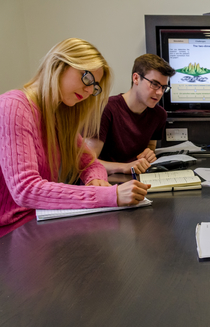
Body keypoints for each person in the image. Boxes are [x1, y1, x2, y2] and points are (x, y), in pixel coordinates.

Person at [0, 38, 150, 237]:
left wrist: (95, 180)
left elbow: (91, 164)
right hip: (11, 232)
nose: (89, 90)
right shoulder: (14, 106)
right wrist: (106, 195)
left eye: (95, 87)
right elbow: (25, 190)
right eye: (87, 78)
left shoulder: (57, 116)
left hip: (39, 221)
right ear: (59, 65)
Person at [86, 54, 176, 175]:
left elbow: (150, 147)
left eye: (164, 87)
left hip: (137, 179)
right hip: (105, 181)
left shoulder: (159, 115)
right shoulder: (106, 108)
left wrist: (148, 154)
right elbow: (87, 162)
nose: (160, 92)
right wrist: (124, 167)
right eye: (154, 84)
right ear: (136, 78)